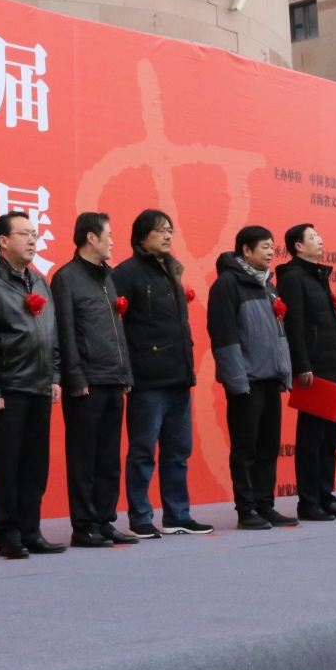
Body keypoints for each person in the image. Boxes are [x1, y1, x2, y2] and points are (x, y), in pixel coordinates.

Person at [112, 209, 214, 538]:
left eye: (170, 230)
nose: (168, 235)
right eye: (160, 230)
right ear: (141, 237)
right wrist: (128, 371)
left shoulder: (172, 270)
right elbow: (117, 327)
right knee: (143, 451)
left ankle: (177, 514)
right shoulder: (125, 274)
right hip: (147, 380)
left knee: (178, 451)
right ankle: (140, 516)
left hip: (179, 377)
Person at [0, 213, 64, 558]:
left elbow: (51, 335)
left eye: (34, 234)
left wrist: (55, 377)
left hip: (39, 386)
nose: (32, 240)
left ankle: (31, 531)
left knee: (35, 465)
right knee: (6, 466)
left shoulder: (40, 282)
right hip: (7, 390)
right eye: (24, 234)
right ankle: (8, 535)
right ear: (3, 241)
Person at [52, 212, 140, 548]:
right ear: (91, 237)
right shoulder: (66, 278)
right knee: (83, 457)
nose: (113, 241)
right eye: (109, 234)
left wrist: (125, 372)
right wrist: (75, 376)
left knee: (108, 457)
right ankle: (84, 525)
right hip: (86, 381)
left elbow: (118, 330)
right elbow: (65, 331)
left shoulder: (109, 277)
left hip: (113, 378)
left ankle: (105, 520)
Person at [208, 226, 296, 529]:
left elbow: (280, 334)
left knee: (268, 446)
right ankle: (246, 510)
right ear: (245, 250)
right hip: (246, 381)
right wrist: (237, 380)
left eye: (272, 246)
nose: (271, 252)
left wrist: (285, 371)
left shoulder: (268, 286)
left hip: (271, 378)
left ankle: (265, 505)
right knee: (246, 448)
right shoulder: (227, 285)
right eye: (264, 246)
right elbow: (223, 336)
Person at [277, 223, 336, 521]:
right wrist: (302, 365)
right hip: (313, 369)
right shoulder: (293, 277)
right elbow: (294, 324)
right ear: (298, 246)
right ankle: (309, 502)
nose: (320, 240)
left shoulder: (318, 275)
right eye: (313, 237)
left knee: (329, 439)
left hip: (331, 366)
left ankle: (326, 496)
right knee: (311, 439)